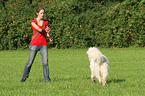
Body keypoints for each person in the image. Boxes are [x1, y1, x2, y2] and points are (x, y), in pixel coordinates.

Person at [20, 7, 53, 82]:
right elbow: (39, 29)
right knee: (30, 63)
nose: (42, 14)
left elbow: (46, 32)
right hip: (34, 45)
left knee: (45, 63)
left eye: (43, 13)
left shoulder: (46, 22)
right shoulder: (33, 22)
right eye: (41, 13)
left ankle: (47, 80)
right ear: (37, 13)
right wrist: (45, 30)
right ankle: (24, 78)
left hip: (43, 45)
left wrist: (49, 37)